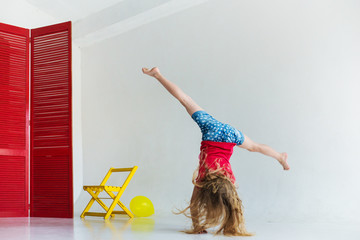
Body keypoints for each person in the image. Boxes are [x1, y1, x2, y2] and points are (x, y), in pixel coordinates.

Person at [142, 67, 289, 236]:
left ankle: (157, 75)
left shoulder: (228, 179)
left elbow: (203, 204)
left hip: (223, 133)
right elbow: (195, 203)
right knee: (186, 101)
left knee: (186, 100)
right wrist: (198, 224)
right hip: (213, 132)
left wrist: (198, 227)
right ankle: (280, 157)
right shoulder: (204, 177)